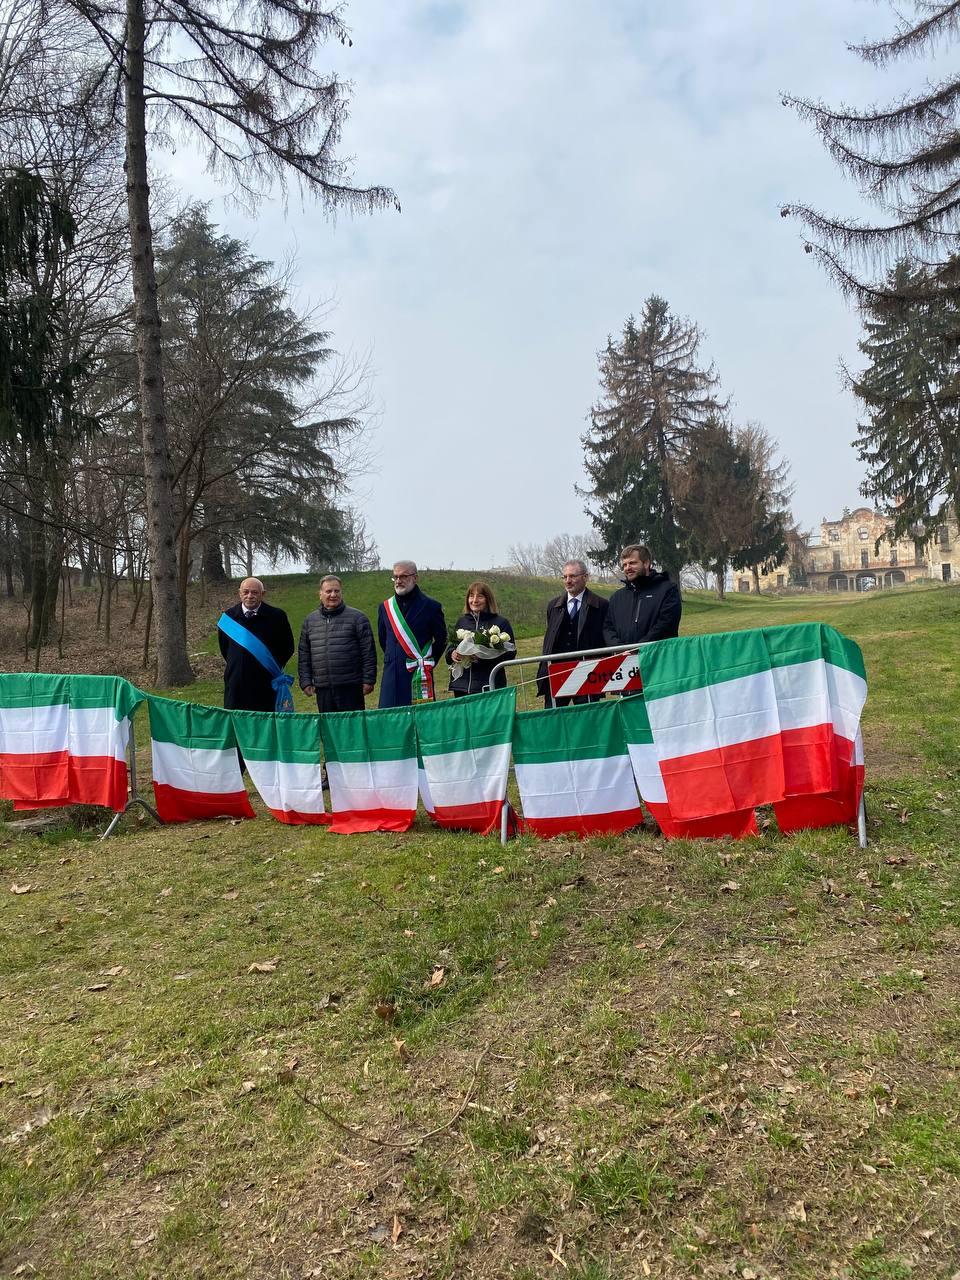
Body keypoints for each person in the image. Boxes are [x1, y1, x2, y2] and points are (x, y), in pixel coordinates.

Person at [298, 576, 377, 712]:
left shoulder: (358, 618)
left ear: (341, 593)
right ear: (320, 594)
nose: (333, 595)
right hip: (323, 689)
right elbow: (304, 654)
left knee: (353, 725)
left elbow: (368, 652)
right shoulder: (310, 621)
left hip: (351, 688)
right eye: (329, 591)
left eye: (337, 591)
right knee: (328, 726)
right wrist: (305, 681)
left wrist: (369, 680)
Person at [536, 560, 609, 707]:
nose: (568, 581)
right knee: (554, 716)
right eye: (565, 577)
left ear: (585, 577)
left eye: (573, 576)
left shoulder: (601, 605)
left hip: (588, 673)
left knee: (587, 716)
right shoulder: (553, 606)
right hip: (557, 673)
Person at [377, 560, 447, 708]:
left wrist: (426, 661)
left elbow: (441, 639)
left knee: (421, 717)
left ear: (415, 578)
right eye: (395, 577)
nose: (398, 581)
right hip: (392, 674)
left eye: (403, 576)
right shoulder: (385, 607)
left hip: (419, 673)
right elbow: (384, 640)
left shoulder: (431, 606)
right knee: (391, 718)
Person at [218, 577, 295, 712]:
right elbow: (225, 649)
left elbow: (287, 648)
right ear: (239, 593)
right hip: (237, 683)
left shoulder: (277, 616)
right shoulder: (228, 617)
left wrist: (270, 665)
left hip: (266, 682)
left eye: (254, 592)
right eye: (246, 592)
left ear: (262, 594)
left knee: (265, 721)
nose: (250, 596)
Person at [603, 544, 682, 648]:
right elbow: (608, 628)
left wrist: (639, 649)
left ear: (646, 563)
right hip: (624, 656)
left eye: (632, 563)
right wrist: (620, 649)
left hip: (657, 654)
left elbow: (666, 624)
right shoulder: (616, 597)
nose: (628, 568)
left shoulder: (668, 590)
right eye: (625, 565)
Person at [445, 581, 514, 696]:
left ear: (488, 599)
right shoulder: (462, 621)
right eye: (471, 596)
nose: (474, 600)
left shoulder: (500, 623)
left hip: (489, 686)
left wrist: (484, 656)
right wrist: (452, 654)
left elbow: (511, 653)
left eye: (480, 596)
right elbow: (451, 647)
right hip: (461, 687)